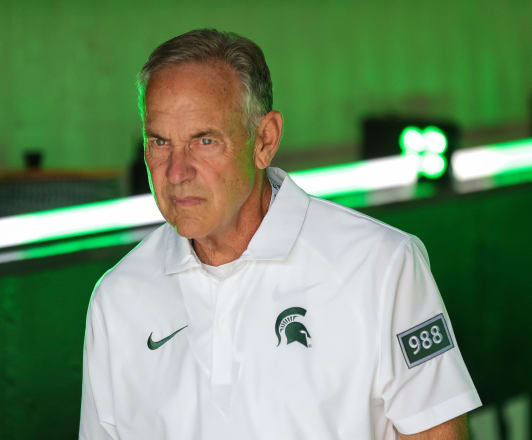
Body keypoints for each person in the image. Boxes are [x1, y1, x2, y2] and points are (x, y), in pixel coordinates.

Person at [79, 29, 481, 440]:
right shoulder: (117, 299)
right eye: (160, 141)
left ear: (264, 141)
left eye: (204, 140)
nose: (176, 172)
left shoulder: (381, 265)